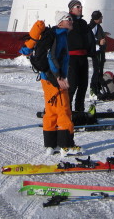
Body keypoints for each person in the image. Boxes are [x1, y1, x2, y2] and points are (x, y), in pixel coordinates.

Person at [38, 11, 82, 156]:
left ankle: (51, 146)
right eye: (67, 19)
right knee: (64, 110)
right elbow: (52, 57)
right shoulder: (60, 35)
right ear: (60, 22)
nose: (71, 21)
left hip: (46, 78)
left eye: (71, 19)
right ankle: (66, 145)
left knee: (50, 112)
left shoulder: (55, 34)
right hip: (55, 79)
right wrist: (59, 77)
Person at [66, 0, 95, 112]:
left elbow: (86, 31)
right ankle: (67, 111)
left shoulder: (82, 22)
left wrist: (94, 22)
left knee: (83, 85)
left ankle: (79, 110)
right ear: (71, 9)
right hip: (72, 58)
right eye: (77, 7)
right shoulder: (68, 21)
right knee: (72, 86)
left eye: (81, 6)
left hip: (83, 57)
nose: (80, 8)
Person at [88, 10, 107, 98]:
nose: (102, 18)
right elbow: (89, 39)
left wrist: (103, 34)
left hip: (100, 51)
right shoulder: (92, 26)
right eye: (101, 17)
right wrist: (99, 41)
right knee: (97, 71)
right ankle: (94, 90)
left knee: (100, 71)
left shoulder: (97, 26)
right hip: (97, 52)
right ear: (97, 18)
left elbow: (96, 35)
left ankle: (98, 89)